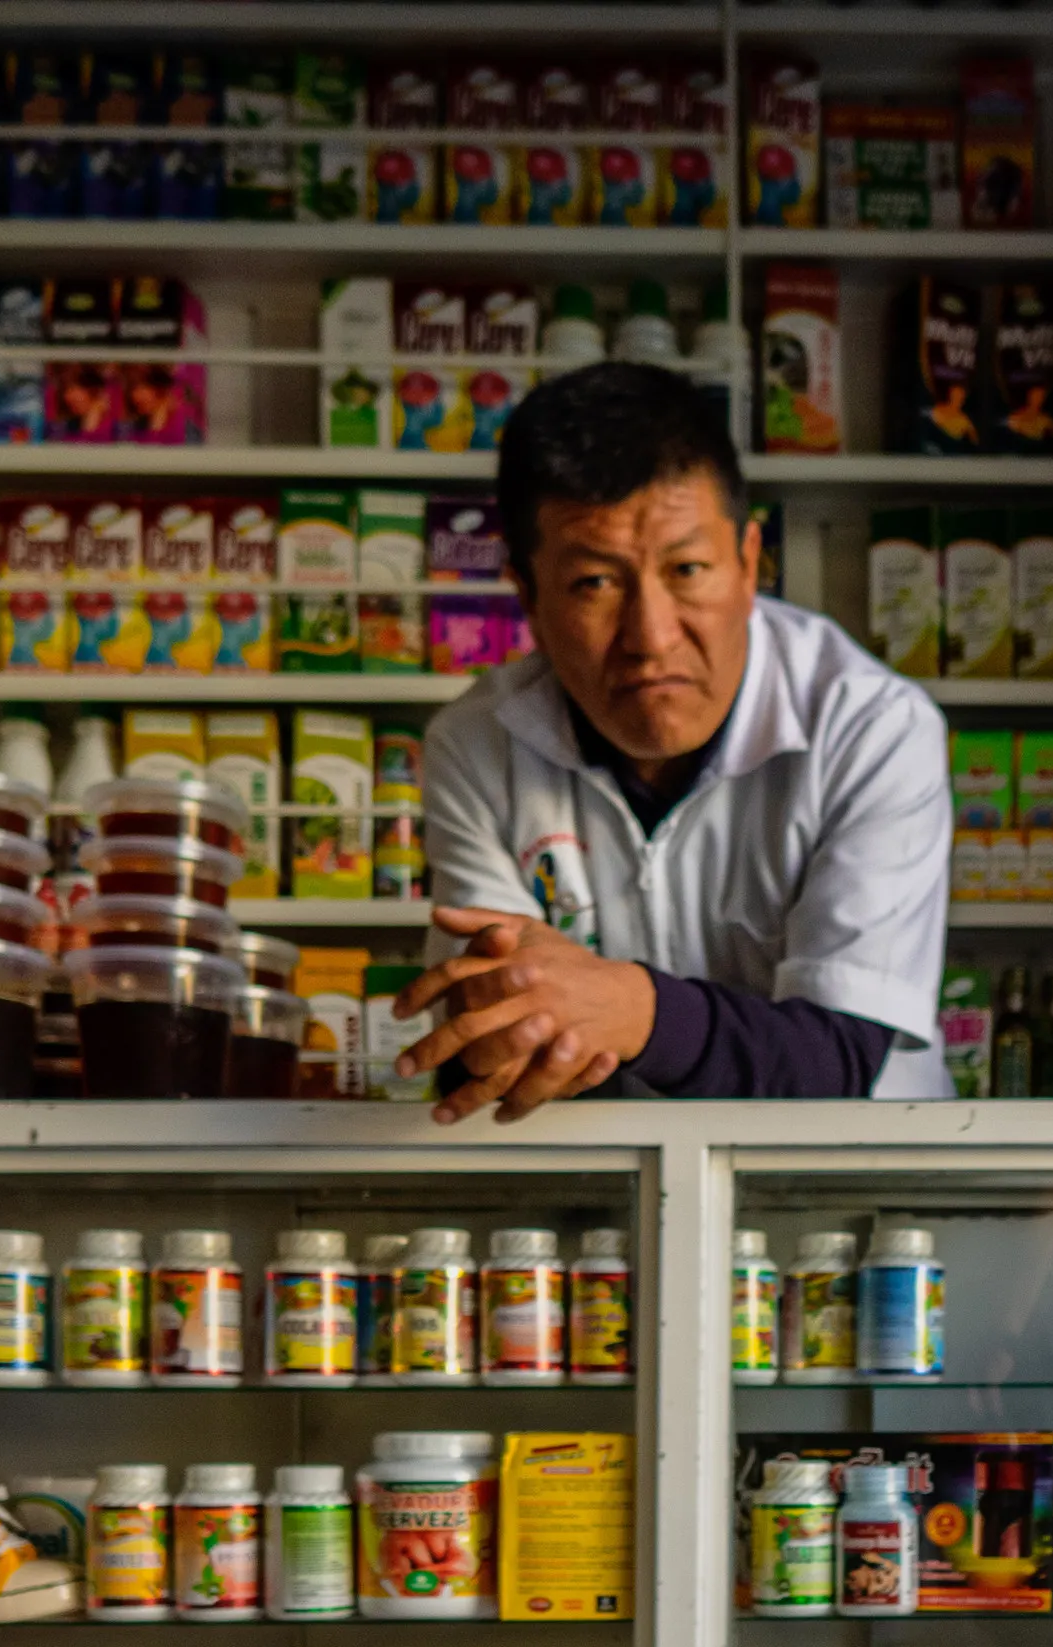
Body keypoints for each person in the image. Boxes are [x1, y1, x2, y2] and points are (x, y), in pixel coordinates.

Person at [395, 359, 952, 1121]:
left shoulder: (871, 728)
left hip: (853, 1202)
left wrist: (633, 1009)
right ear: (526, 592)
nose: (651, 638)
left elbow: (840, 1058)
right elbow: (492, 1042)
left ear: (750, 563)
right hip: (601, 1203)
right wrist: (510, 1026)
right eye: (595, 583)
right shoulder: (478, 744)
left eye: (687, 569)